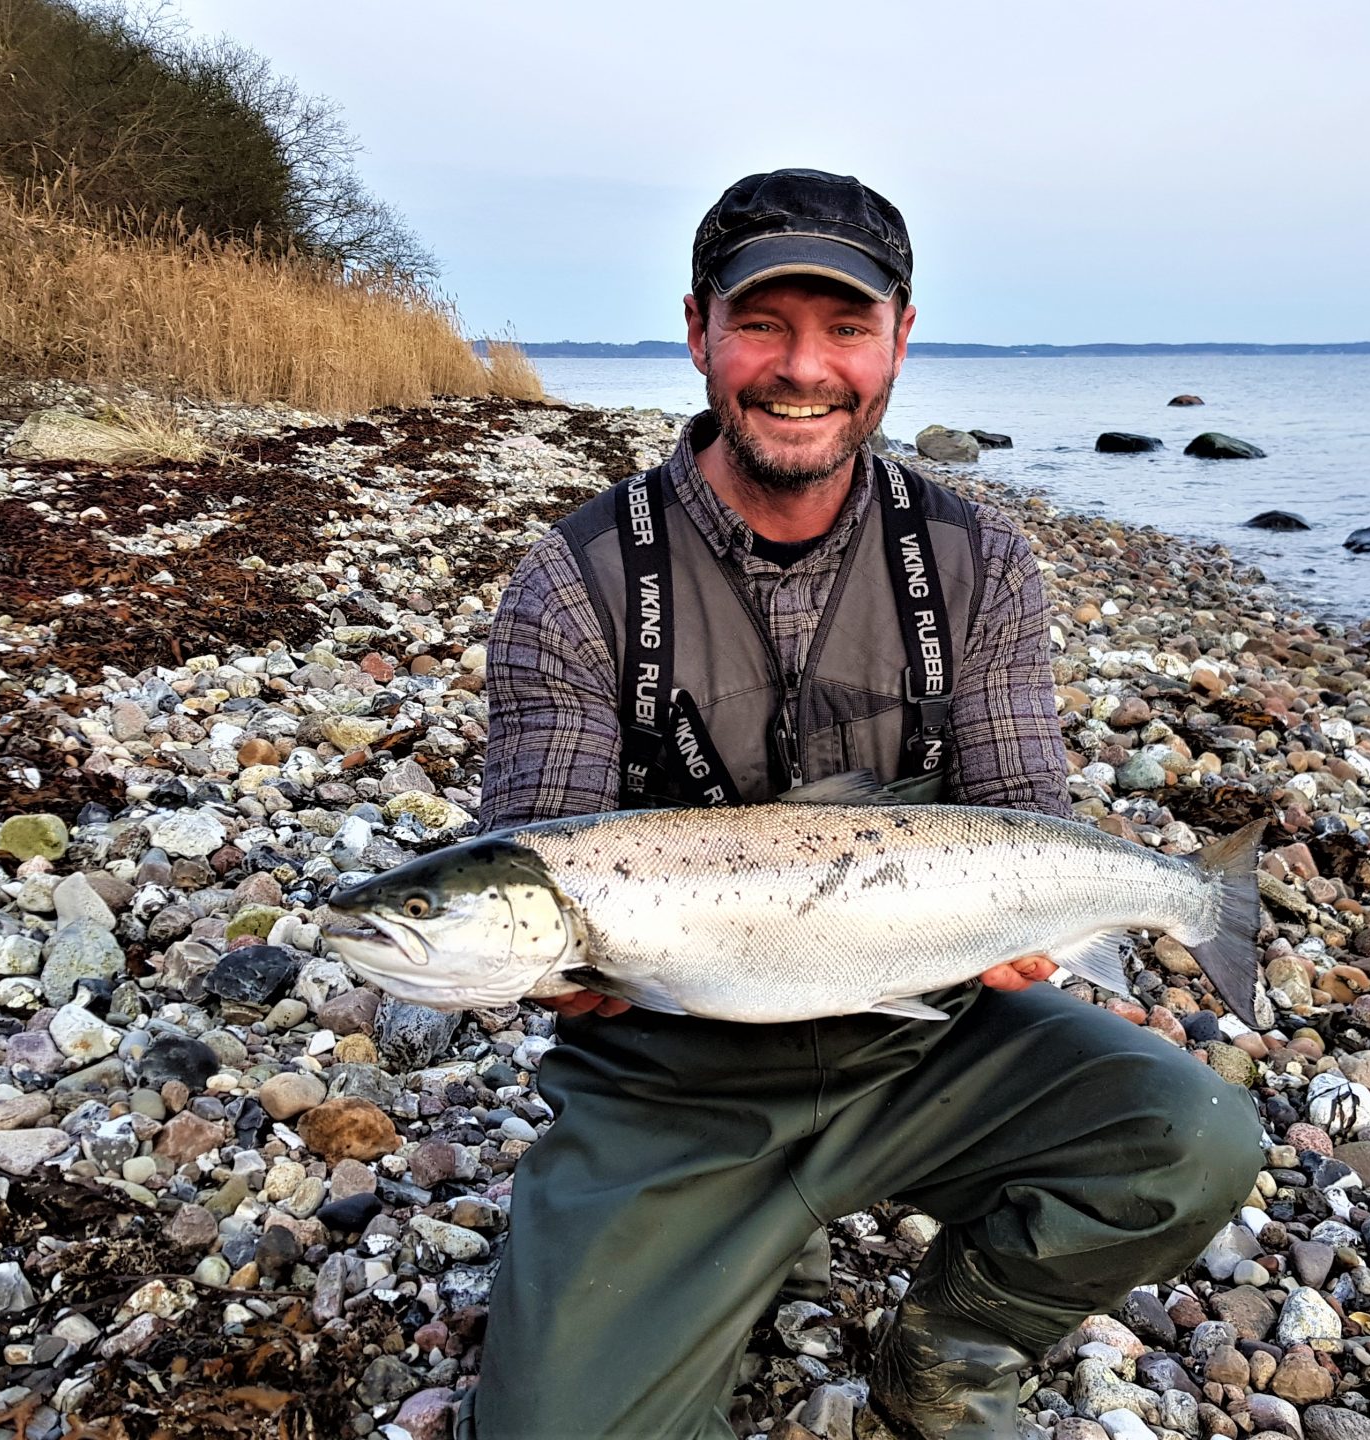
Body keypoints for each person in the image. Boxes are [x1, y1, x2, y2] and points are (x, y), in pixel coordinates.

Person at [456, 169, 1264, 1440]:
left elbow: (1018, 809)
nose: (803, 367)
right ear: (697, 331)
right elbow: (542, 834)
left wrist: (1078, 919)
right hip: (674, 1083)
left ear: (900, 339)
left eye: (844, 326)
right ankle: (724, 1238)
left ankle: (954, 1345)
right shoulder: (580, 578)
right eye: (763, 323)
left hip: (923, 1040)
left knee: (1196, 1133)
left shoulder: (979, 559)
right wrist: (562, 972)